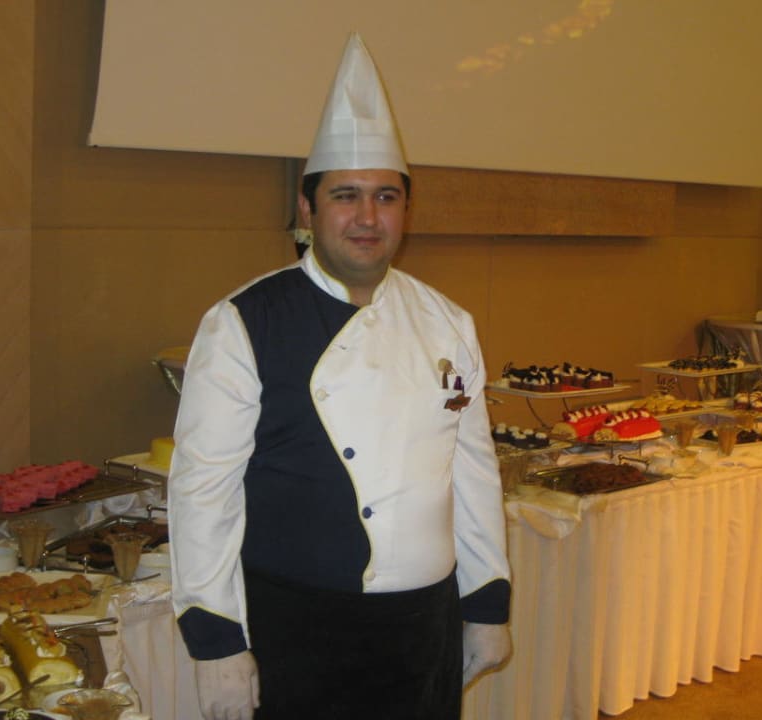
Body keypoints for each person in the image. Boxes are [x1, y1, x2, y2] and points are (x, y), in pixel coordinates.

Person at [168, 33, 511, 720]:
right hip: (296, 627)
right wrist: (215, 639)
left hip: (424, 625)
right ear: (308, 210)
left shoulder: (448, 321)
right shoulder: (244, 322)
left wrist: (486, 603)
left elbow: (472, 471)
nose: (367, 217)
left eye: (386, 197)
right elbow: (203, 487)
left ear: (406, 210)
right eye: (345, 196)